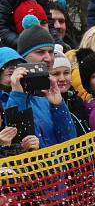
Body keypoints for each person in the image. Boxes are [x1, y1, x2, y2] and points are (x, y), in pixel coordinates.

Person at [4, 20, 75, 148]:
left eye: (51, 52)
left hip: (58, 167)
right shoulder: (6, 98)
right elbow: (18, 140)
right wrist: (17, 94)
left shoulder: (45, 96)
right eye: (40, 52)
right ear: (23, 58)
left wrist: (58, 106)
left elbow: (69, 142)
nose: (48, 58)